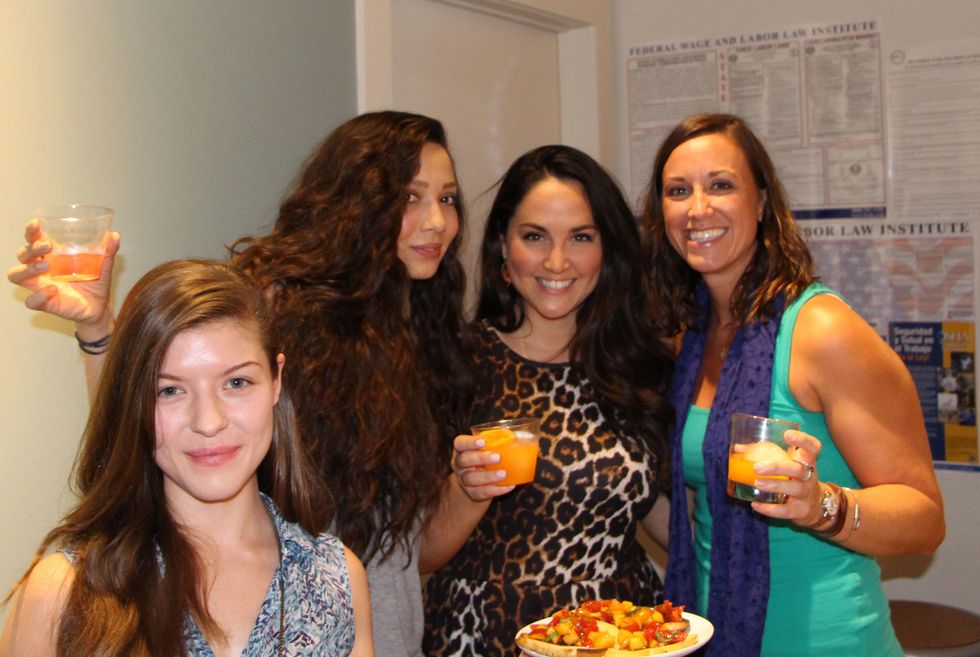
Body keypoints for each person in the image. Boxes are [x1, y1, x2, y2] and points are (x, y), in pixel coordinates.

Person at [7, 111, 472, 657]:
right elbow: (154, 424)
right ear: (358, 200)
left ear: (275, 383)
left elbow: (410, 547)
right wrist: (99, 332)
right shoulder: (275, 307)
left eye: (447, 199)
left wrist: (469, 492)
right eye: (412, 197)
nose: (437, 221)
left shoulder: (426, 334)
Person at [642, 113, 945, 657]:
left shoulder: (821, 330)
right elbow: (700, 516)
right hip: (714, 640)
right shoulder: (690, 339)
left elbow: (924, 520)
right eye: (678, 191)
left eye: (721, 185)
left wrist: (820, 505)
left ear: (760, 204)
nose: (698, 209)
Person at [0, 259, 373, 657]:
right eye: (170, 391)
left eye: (236, 383)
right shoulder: (65, 591)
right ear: (136, 402)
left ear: (276, 381)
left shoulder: (336, 580)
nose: (208, 422)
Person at [422, 144, 675, 657]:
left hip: (621, 637)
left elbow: (660, 518)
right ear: (502, 250)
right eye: (534, 236)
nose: (556, 261)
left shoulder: (636, 365)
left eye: (580, 237)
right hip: (488, 637)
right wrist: (468, 490)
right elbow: (422, 553)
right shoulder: (455, 363)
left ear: (608, 252)